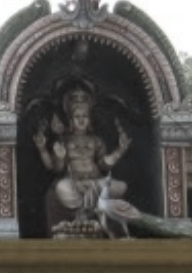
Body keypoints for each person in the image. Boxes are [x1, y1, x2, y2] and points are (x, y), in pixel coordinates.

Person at [32, 87, 132, 218]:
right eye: (77, 116)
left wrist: (120, 150)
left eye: (84, 116)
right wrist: (49, 152)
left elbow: (103, 164)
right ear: (71, 120)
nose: (81, 120)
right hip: (74, 184)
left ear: (89, 119)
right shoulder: (64, 140)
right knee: (62, 188)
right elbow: (55, 168)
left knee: (121, 186)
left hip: (95, 182)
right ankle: (89, 204)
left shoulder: (96, 140)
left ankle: (90, 202)